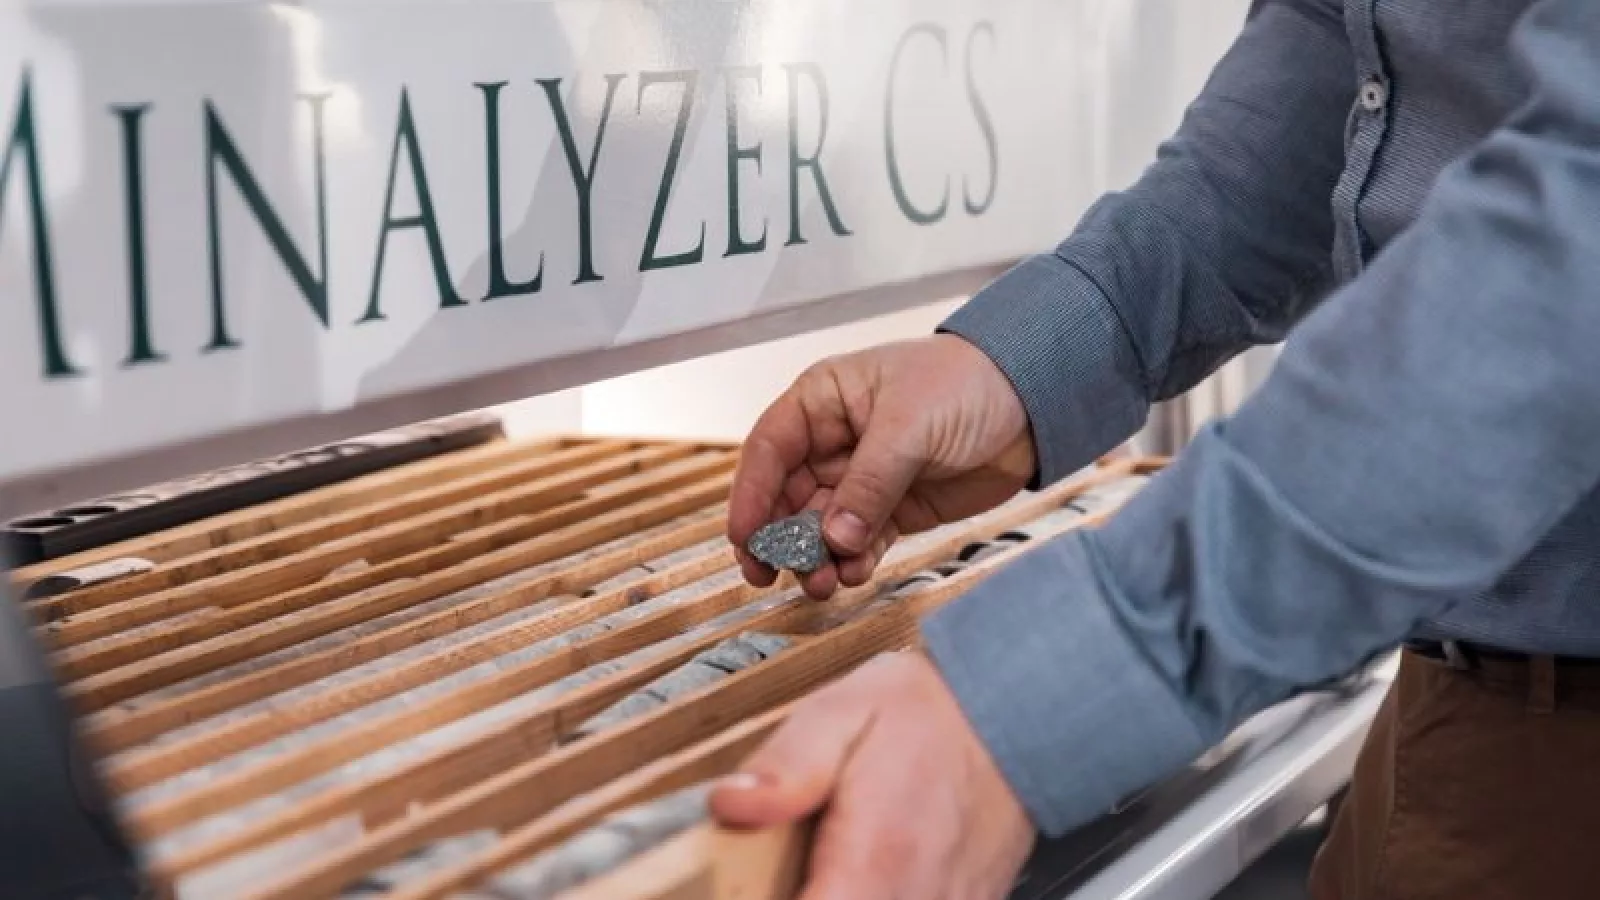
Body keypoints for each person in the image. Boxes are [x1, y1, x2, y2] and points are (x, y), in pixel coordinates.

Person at [701, 0, 1600, 898]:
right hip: (1456, 705)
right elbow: (1337, 87)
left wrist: (1046, 690)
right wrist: (1015, 364)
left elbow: (1568, 250)